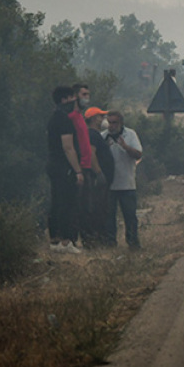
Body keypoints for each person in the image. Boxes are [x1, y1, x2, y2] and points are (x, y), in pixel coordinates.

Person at [47, 85, 84, 254]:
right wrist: (78, 171)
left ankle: (54, 240)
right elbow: (68, 147)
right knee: (67, 202)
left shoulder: (53, 118)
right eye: (71, 98)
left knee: (56, 202)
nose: (73, 101)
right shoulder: (64, 120)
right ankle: (65, 241)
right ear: (64, 100)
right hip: (64, 168)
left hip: (53, 165)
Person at [103, 110, 143, 249]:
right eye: (109, 123)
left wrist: (125, 147)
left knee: (130, 216)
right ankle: (110, 243)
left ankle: (133, 243)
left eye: (114, 123)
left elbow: (138, 155)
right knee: (109, 217)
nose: (111, 126)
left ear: (120, 123)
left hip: (127, 183)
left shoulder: (130, 134)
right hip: (109, 185)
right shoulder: (104, 136)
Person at [82, 107, 115, 247]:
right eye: (100, 117)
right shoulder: (92, 135)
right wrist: (98, 172)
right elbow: (91, 153)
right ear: (94, 119)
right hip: (97, 179)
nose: (103, 120)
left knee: (101, 208)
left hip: (100, 178)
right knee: (98, 209)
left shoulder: (96, 135)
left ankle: (99, 238)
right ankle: (97, 239)